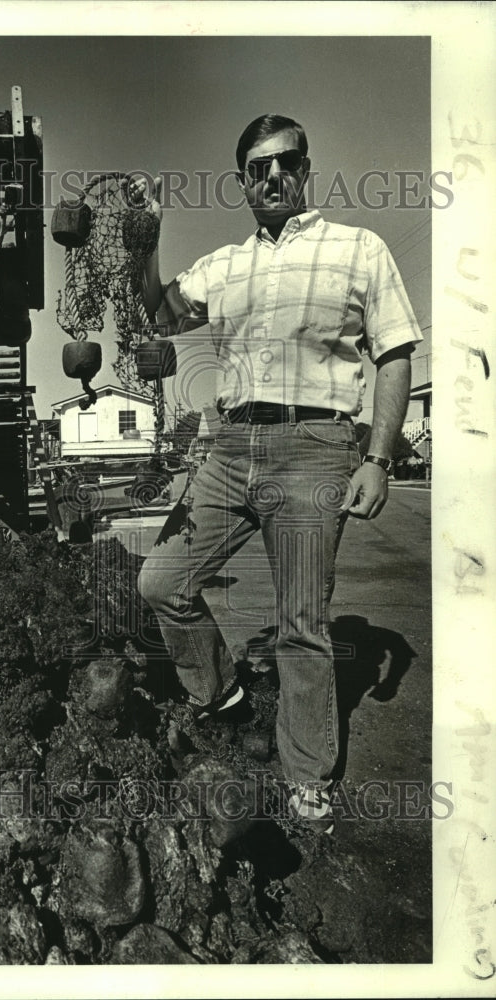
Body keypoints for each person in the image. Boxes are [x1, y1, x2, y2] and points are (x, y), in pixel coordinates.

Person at [132, 114, 422, 833]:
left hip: (314, 448)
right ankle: (221, 695)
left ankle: (307, 775)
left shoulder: (358, 249)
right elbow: (158, 313)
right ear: (242, 182)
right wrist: (145, 245)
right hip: (228, 448)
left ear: (305, 167)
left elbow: (393, 354)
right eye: (256, 168)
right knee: (161, 582)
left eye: (284, 161)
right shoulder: (223, 265)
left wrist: (378, 458)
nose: (272, 177)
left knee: (301, 623)